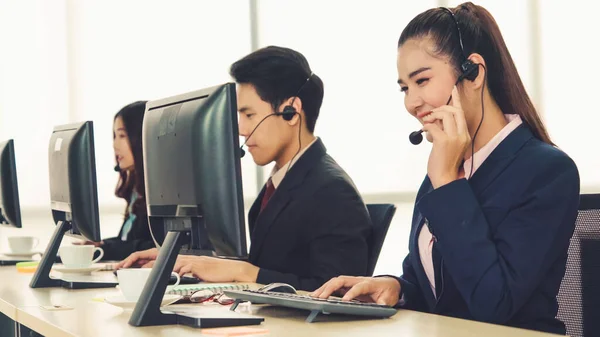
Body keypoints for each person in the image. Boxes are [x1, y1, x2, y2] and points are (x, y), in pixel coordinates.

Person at [312, 3, 579, 335]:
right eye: (405, 88)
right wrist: (396, 287)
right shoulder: (445, 165)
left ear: (474, 72)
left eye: (422, 80)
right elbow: (434, 285)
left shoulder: (546, 172)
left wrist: (448, 182)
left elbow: (493, 303)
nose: (411, 103)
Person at [117, 46, 373, 291]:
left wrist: (244, 272)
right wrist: (183, 258)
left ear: (291, 112)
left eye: (248, 115)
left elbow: (338, 292)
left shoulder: (331, 190)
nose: (240, 128)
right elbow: (275, 267)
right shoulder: (284, 181)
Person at [79, 101, 156, 261]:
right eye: (115, 136)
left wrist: (107, 248)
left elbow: (153, 248)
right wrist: (100, 244)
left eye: (122, 136)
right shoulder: (136, 190)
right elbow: (127, 242)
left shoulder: (159, 191)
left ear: (142, 137)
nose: (115, 145)